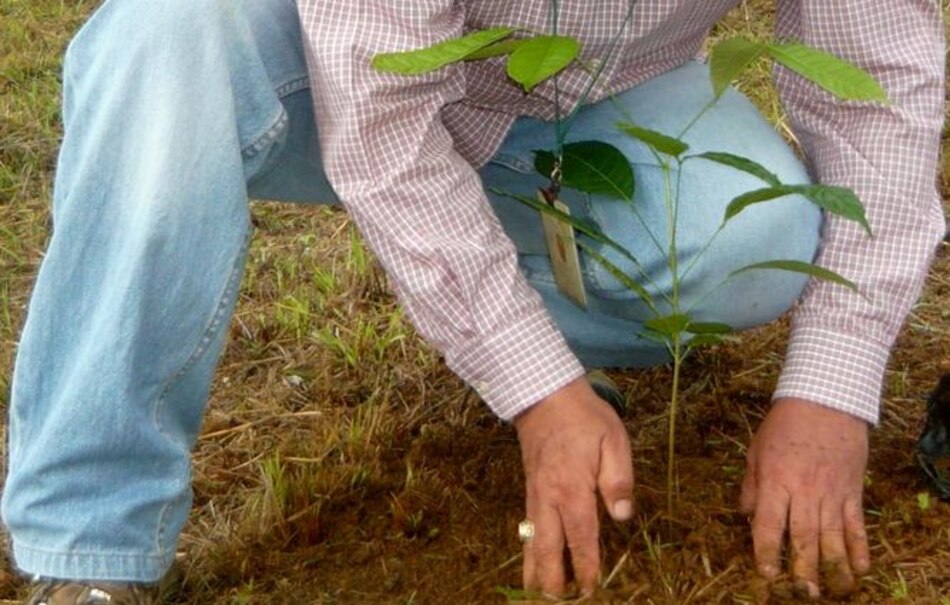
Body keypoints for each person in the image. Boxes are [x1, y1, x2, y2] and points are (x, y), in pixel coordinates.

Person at [3, 1, 944, 603]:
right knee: (162, 40)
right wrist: (534, 390)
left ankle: (523, 327)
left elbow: (883, 84)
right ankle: (92, 535)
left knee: (759, 241)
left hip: (608, 87)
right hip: (321, 48)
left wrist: (834, 386)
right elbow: (383, 118)